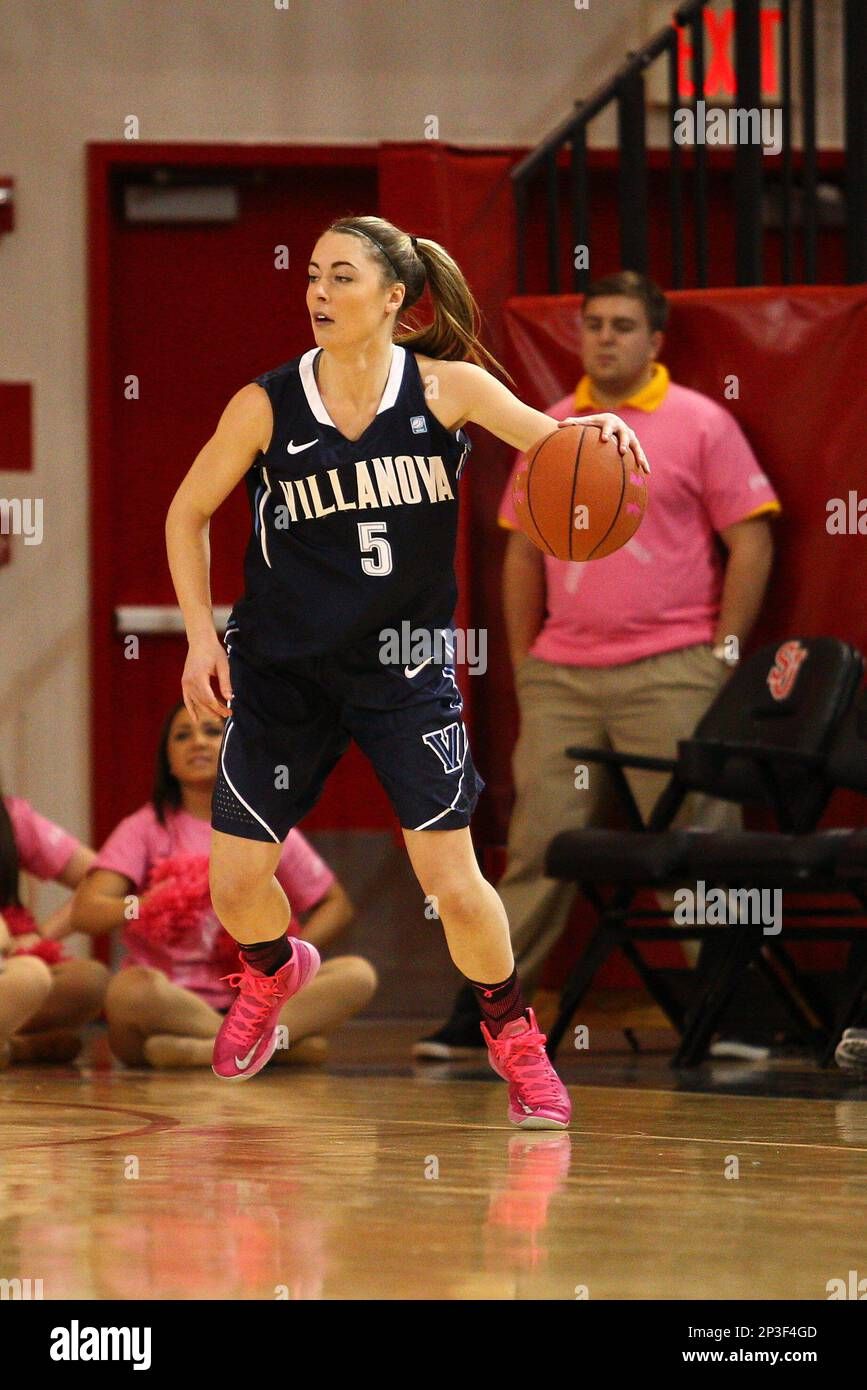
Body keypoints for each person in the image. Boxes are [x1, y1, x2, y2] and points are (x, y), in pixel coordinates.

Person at [164, 215, 649, 1128]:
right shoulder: (266, 404)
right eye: (311, 274)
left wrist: (606, 443)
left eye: (341, 277)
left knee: (456, 886)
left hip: (403, 669)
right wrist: (198, 636)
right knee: (235, 884)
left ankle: (514, 1042)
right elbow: (185, 513)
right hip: (284, 671)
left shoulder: (448, 388)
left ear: (394, 298)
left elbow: (555, 444)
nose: (317, 292)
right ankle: (273, 972)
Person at [416, 270, 780, 1062]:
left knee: (697, 838)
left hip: (671, 667)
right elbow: (521, 546)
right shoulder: (547, 425)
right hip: (563, 676)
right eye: (593, 324)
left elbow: (750, 537)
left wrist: (720, 651)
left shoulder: (699, 422)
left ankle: (730, 1014)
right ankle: (483, 1015)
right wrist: (522, 656)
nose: (605, 337)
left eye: (622, 325)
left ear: (654, 341)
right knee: (539, 842)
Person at [69, 700, 374, 1068]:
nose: (197, 742)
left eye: (212, 732)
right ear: (168, 760)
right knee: (127, 991)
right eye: (183, 736)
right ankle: (262, 1048)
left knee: (357, 974)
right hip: (173, 1003)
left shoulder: (262, 826)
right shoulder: (145, 827)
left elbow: (336, 905)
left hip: (258, 996)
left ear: (235, 748)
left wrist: (285, 955)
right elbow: (86, 912)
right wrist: (153, 902)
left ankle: (207, 1052)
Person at [0, 782, 107, 1068]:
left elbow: (102, 879)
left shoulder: (11, 817)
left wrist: (39, 937)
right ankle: (17, 1048)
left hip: (6, 972)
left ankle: (9, 1044)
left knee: (87, 981)